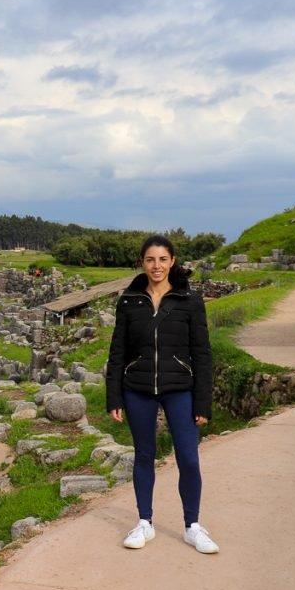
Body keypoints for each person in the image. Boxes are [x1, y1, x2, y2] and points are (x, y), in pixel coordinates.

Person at [106, 234, 218, 554]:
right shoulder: (129, 301)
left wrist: (203, 401)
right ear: (142, 262)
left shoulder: (190, 300)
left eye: (163, 259)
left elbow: (202, 354)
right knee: (144, 455)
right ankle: (145, 522)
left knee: (188, 458)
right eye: (150, 259)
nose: (157, 266)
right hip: (137, 390)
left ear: (172, 262)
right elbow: (117, 353)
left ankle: (192, 526)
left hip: (179, 390)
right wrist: (114, 397)